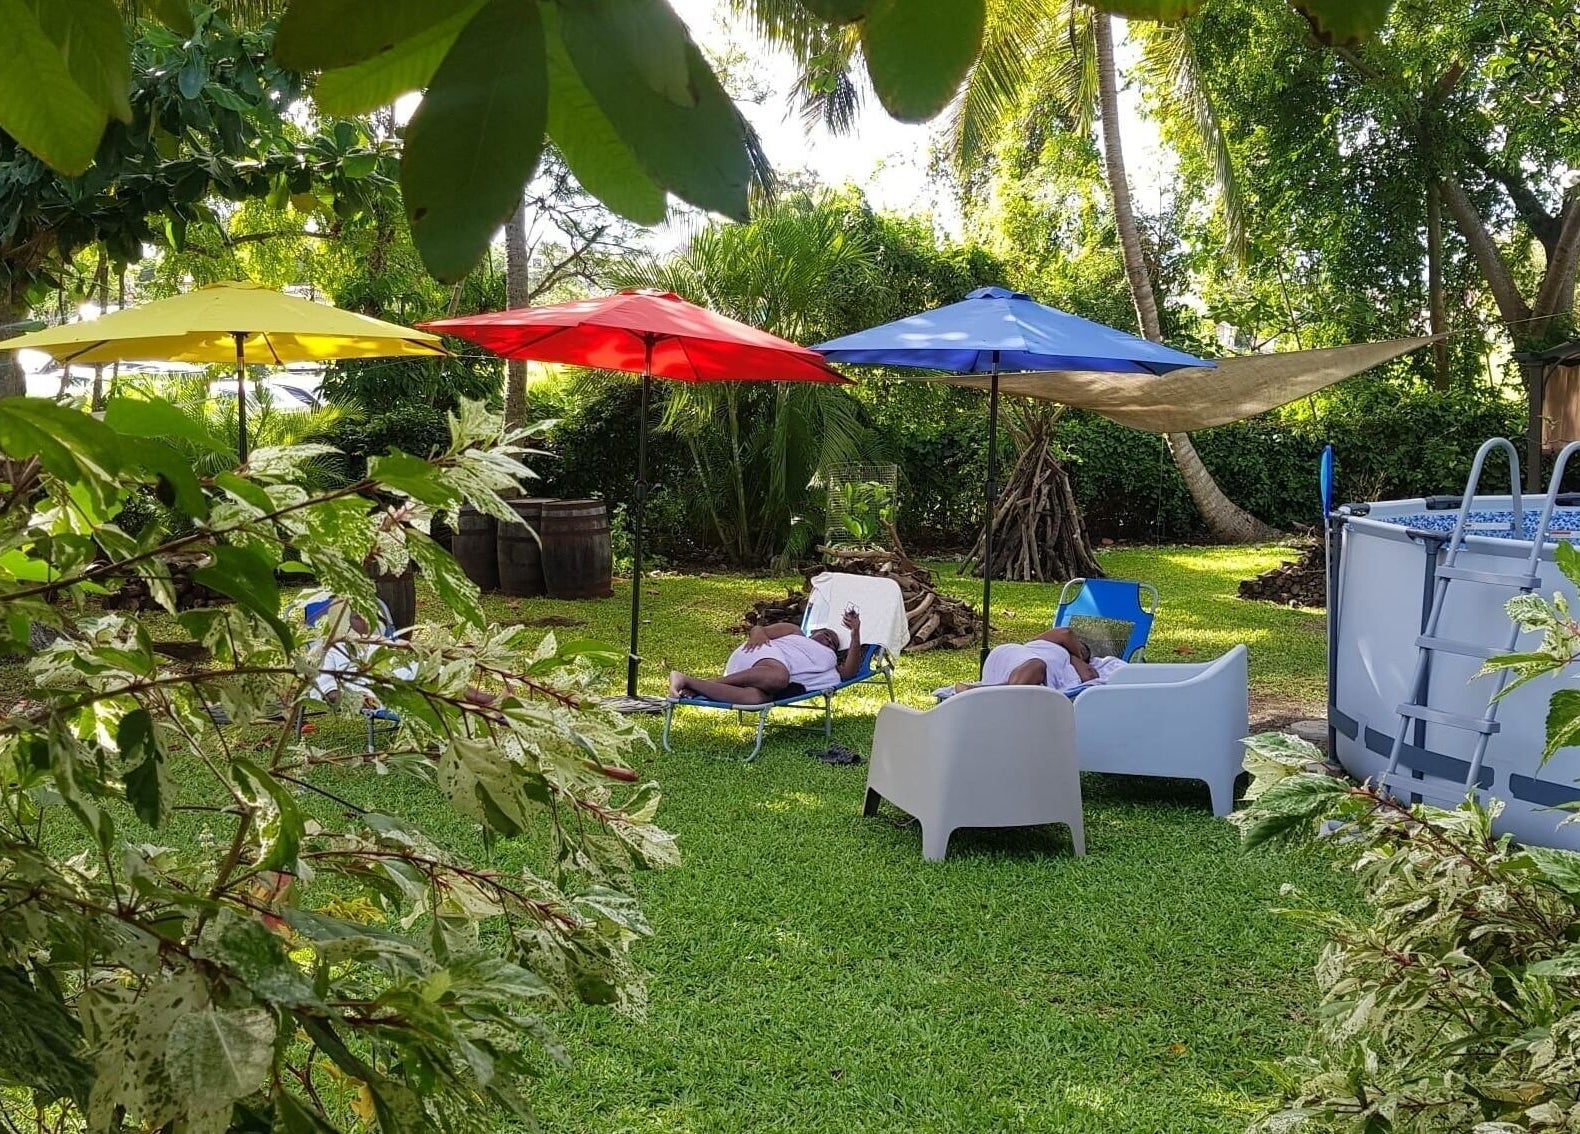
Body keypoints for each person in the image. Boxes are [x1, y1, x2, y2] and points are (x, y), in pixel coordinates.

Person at [669, 609, 864, 705]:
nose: (829, 642)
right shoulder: (795, 633)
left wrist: (855, 633)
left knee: (755, 699)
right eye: (827, 635)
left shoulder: (829, 667)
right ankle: (711, 682)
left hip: (765, 679)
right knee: (778, 677)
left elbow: (849, 672)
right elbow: (759, 630)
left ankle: (690, 682)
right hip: (759, 655)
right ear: (814, 632)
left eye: (833, 644)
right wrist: (758, 635)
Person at [941, 626, 1117, 697]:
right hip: (1019, 657)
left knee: (1034, 669)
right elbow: (1066, 633)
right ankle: (977, 692)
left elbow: (1089, 674)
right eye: (1082, 648)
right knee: (1036, 666)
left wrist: (1076, 658)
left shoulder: (1067, 658)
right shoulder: (1053, 643)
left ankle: (977, 691)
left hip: (1002, 659)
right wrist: (1078, 654)